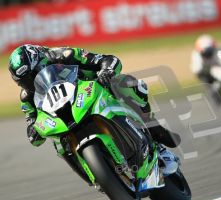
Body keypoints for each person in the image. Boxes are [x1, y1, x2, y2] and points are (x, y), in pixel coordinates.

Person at [8, 44, 180, 184]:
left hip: (91, 92)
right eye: (24, 81)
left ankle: (154, 131)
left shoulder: (65, 54)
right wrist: (32, 130)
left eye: (33, 73)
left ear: (41, 61)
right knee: (57, 143)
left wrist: (106, 71)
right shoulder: (27, 97)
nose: (30, 81)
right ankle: (94, 174)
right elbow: (32, 120)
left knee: (126, 83)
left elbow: (109, 60)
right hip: (65, 117)